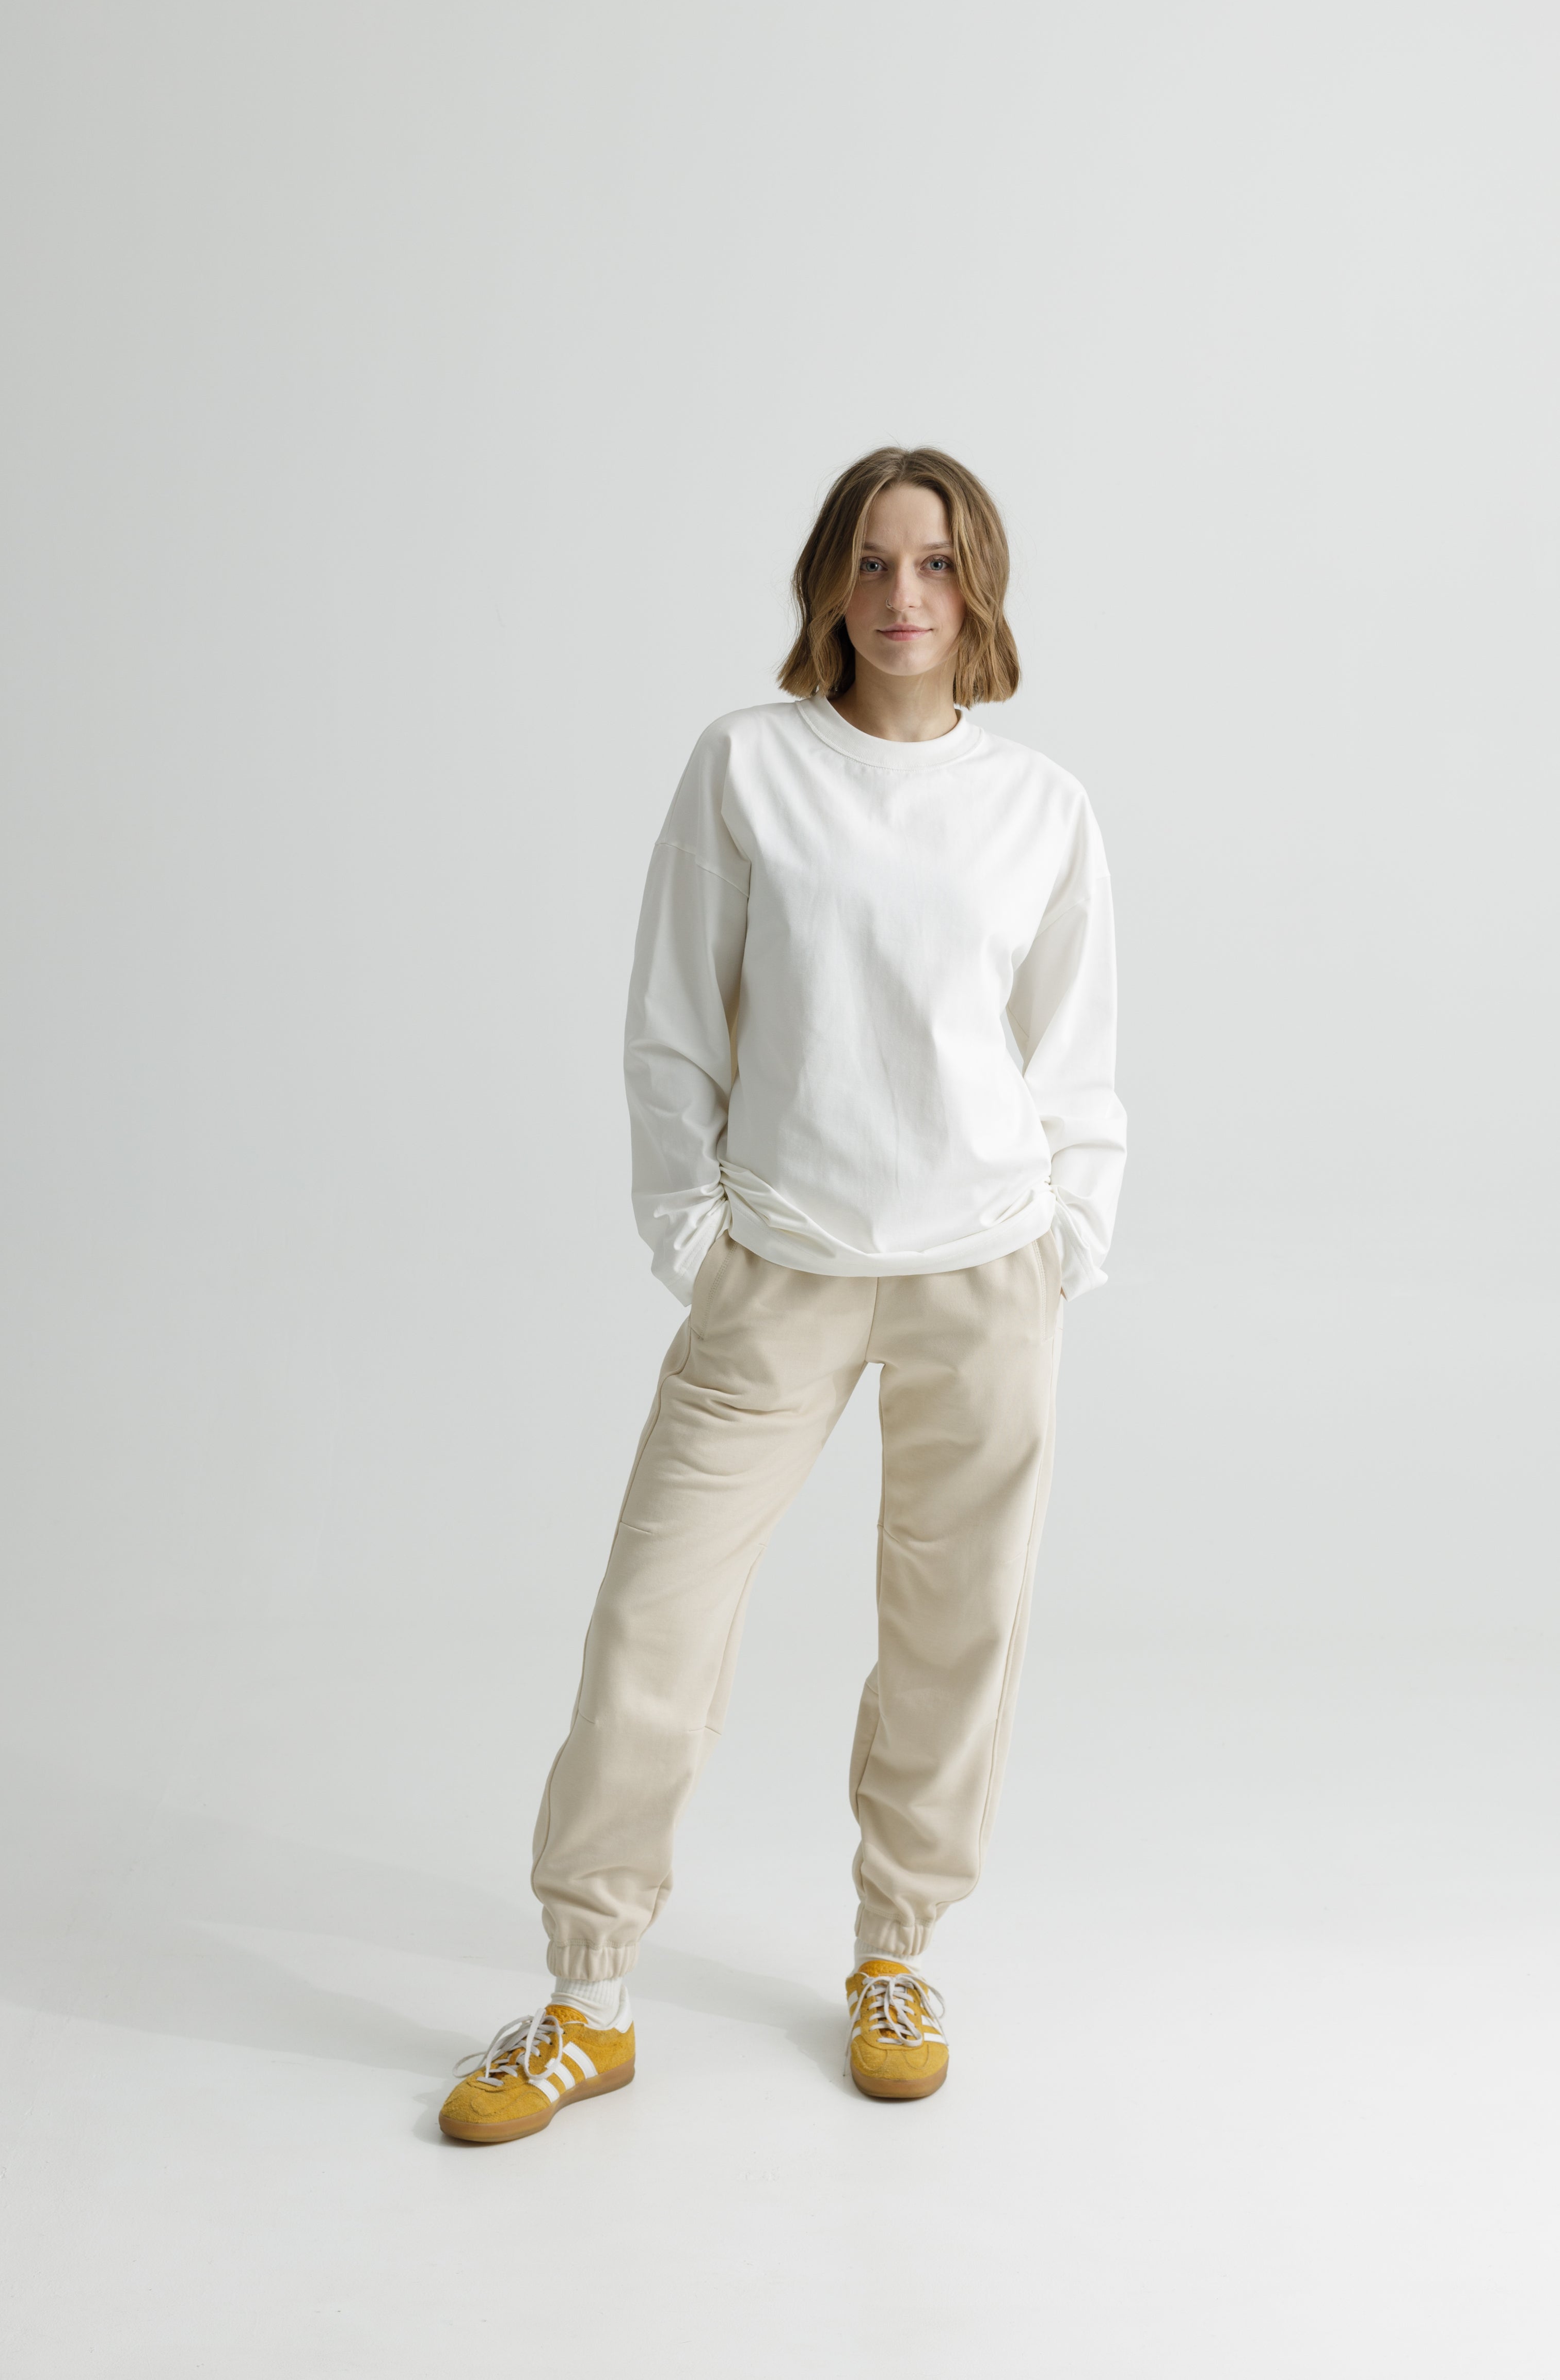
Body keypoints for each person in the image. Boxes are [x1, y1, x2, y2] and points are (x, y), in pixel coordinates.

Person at [439, 446, 1126, 2143]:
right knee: (653, 1621)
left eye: (937, 564)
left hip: (985, 1276)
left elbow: (1074, 1054)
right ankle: (589, 1996)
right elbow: (673, 1019)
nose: (904, 595)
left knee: (957, 1629)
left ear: (979, 589)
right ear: (830, 582)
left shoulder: (1041, 806)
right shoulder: (749, 766)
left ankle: (897, 1951)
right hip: (780, 1273)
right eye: (874, 562)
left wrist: (1067, 1239)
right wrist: (693, 1234)